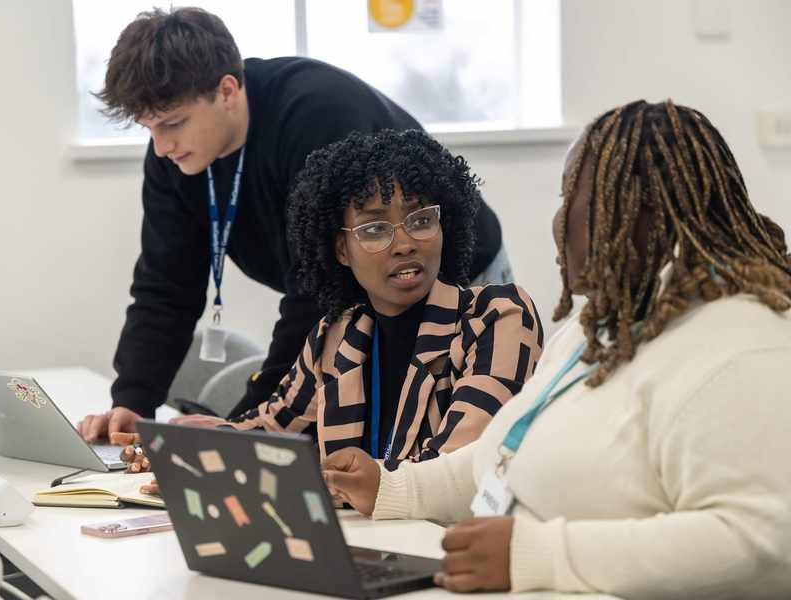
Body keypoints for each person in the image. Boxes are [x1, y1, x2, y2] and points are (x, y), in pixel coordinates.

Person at [321, 100, 791, 597]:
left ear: (647, 216)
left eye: (574, 199)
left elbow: (760, 539)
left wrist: (540, 555)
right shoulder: (605, 323)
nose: (558, 220)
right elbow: (504, 454)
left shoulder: (740, 345)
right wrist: (394, 488)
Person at [77, 7, 508, 441]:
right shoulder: (174, 158)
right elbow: (165, 285)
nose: (162, 145)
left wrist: (250, 424)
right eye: (148, 127)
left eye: (172, 123)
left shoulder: (316, 117)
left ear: (227, 90)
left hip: (453, 278)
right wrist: (132, 402)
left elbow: (320, 291)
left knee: (437, 449)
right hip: (351, 296)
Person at [122, 129, 543, 493]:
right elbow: (271, 427)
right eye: (374, 228)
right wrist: (198, 448)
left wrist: (304, 478)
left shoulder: (496, 317)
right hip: (364, 542)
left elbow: (453, 468)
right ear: (341, 249)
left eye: (420, 220)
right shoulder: (338, 333)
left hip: (448, 548)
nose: (404, 243)